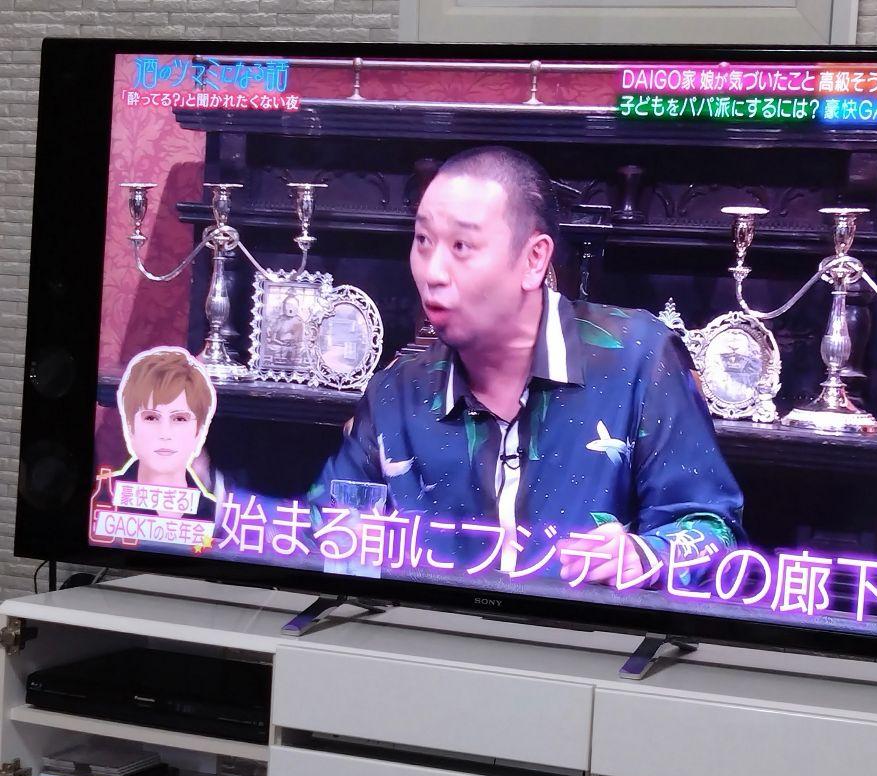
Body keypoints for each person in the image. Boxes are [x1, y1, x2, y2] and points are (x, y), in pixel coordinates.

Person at [310, 146, 743, 589]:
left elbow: (713, 528)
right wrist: (340, 539)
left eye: (461, 246)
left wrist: (647, 555)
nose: (432, 272)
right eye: (423, 240)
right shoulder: (396, 391)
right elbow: (319, 527)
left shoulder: (639, 357)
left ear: (534, 259)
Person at [111, 346, 218, 523]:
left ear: (199, 432)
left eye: (179, 419)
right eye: (151, 418)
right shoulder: (101, 496)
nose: (165, 434)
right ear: (130, 427)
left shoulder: (217, 513)